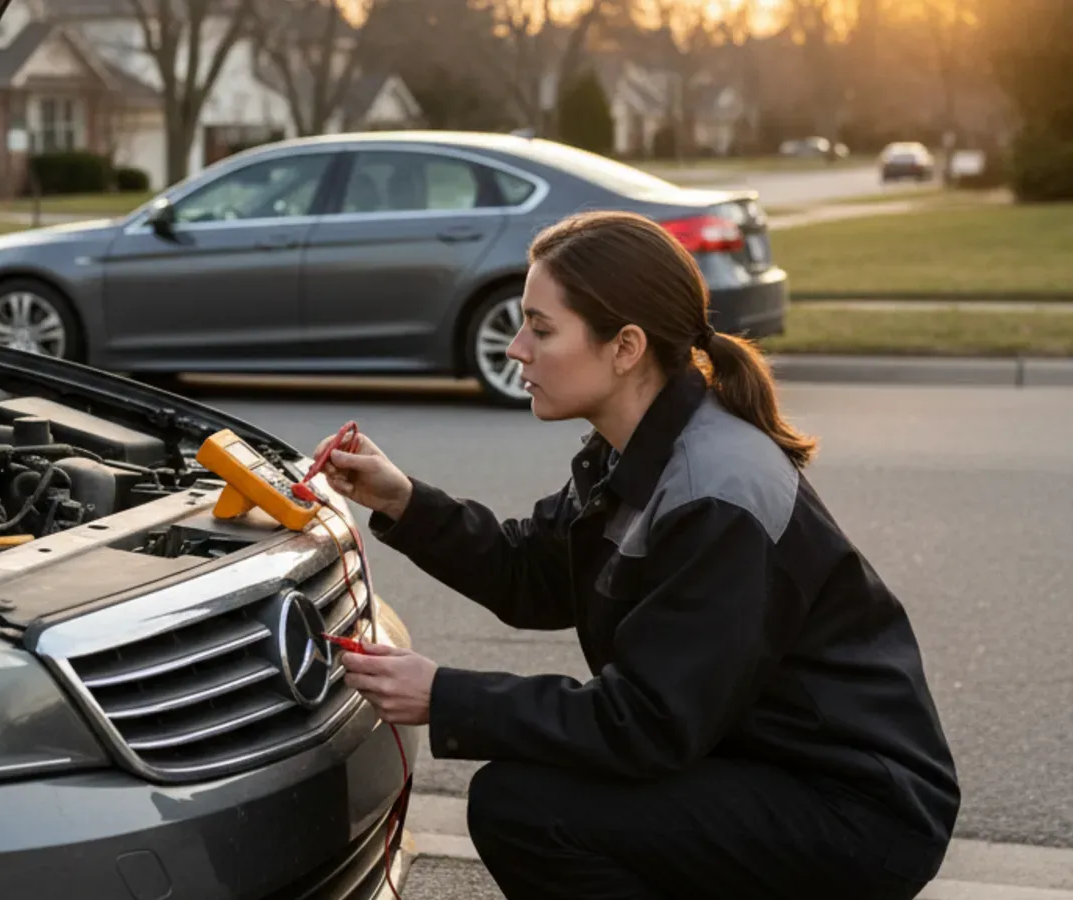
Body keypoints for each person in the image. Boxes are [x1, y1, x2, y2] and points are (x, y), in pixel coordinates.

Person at [318, 210, 960, 900]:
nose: (516, 350)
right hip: (757, 763)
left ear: (625, 347)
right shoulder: (639, 448)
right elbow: (534, 576)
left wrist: (445, 695)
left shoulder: (716, 492)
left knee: (528, 809)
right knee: (534, 796)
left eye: (540, 327)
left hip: (854, 809)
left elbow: (648, 723)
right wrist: (403, 501)